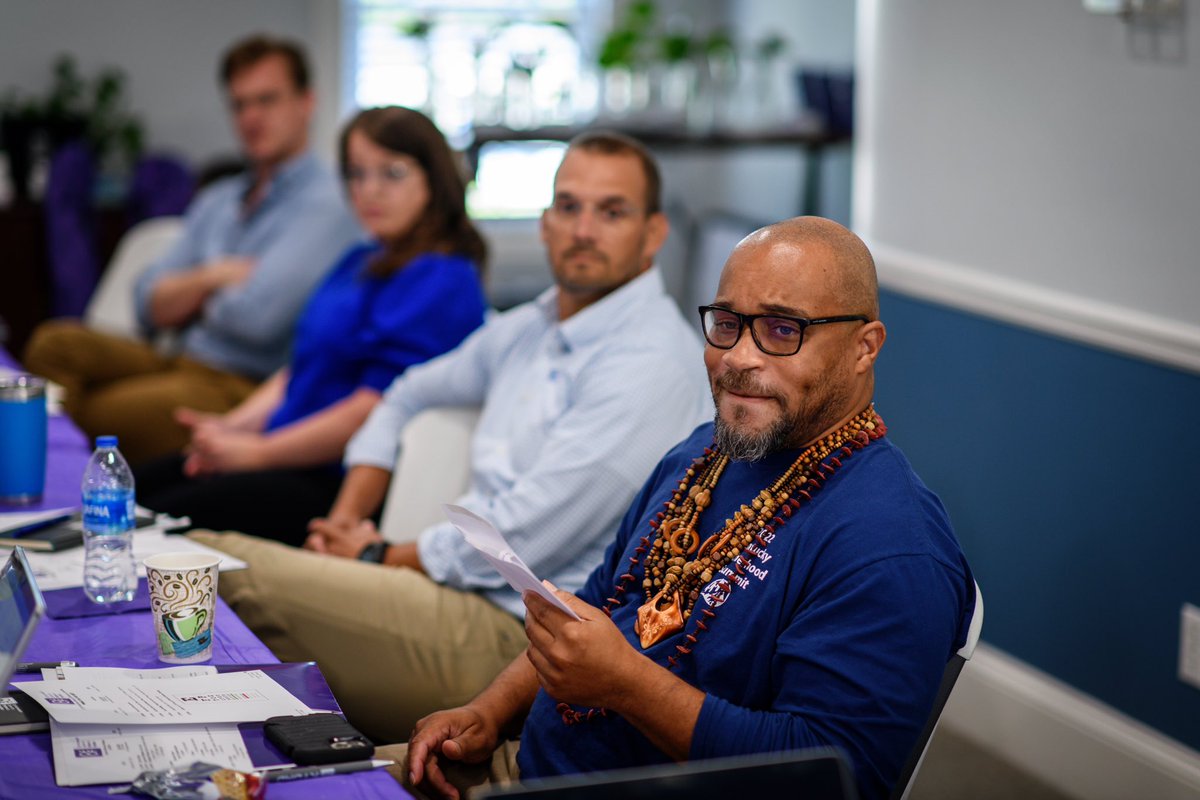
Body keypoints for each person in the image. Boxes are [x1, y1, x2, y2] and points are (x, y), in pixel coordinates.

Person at [390, 217, 976, 800]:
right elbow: (597, 604)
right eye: (726, 324)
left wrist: (625, 685)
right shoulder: (701, 452)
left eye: (780, 330)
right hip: (525, 763)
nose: (738, 357)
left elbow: (828, 778)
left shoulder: (892, 546)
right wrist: (488, 711)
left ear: (863, 348)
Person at [190, 130, 715, 742]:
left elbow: (526, 534)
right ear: (545, 223)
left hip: (519, 639)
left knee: (218, 566)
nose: (583, 229)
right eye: (568, 207)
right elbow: (406, 389)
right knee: (210, 556)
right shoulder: (532, 326)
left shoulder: (650, 362)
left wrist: (376, 555)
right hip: (449, 585)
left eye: (612, 211)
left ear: (654, 233)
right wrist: (346, 517)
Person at [133, 106, 488, 542]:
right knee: (132, 490)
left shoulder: (443, 278)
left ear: (434, 180)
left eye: (390, 173)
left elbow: (372, 410)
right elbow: (302, 367)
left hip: (337, 480)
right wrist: (233, 427)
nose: (369, 191)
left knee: (153, 523)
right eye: (356, 174)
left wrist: (257, 453)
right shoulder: (362, 259)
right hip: (285, 452)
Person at [23, 34, 361, 465]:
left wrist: (185, 297)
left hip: (238, 384)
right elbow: (146, 300)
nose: (251, 117)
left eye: (267, 100)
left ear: (306, 102)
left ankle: (50, 502)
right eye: (239, 104)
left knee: (88, 414)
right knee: (53, 343)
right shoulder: (218, 198)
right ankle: (42, 493)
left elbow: (257, 319)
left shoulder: (330, 201)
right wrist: (214, 277)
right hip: (173, 355)